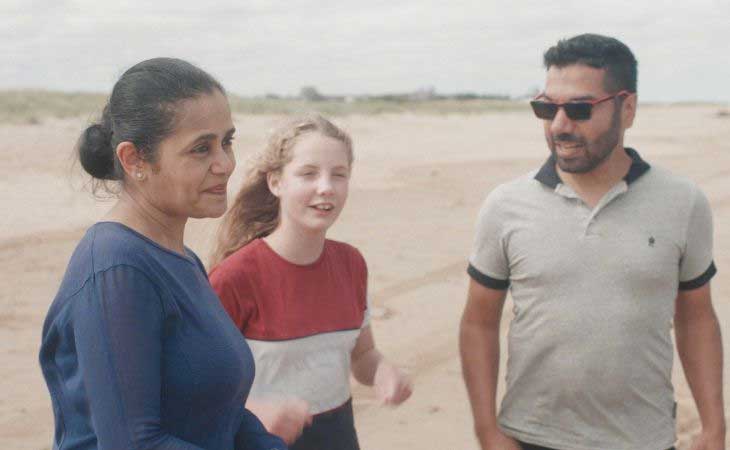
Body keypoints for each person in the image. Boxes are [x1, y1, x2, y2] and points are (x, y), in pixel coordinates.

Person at [459, 34, 725, 450]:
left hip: (645, 439)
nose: (560, 125)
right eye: (547, 108)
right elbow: (478, 322)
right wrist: (486, 430)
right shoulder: (505, 205)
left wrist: (713, 426)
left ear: (628, 108)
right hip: (530, 436)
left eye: (580, 109)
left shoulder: (683, 202)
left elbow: (696, 318)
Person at [38, 58, 286, 450]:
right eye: (201, 148)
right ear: (134, 160)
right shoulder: (115, 269)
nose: (225, 164)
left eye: (227, 142)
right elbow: (133, 444)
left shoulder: (182, 259)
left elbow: (223, 413)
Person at [208, 114, 413, 450]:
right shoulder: (235, 277)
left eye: (339, 175)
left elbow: (362, 357)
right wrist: (255, 412)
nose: (326, 187)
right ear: (275, 182)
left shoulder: (351, 264)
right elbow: (195, 392)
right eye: (308, 174)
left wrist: (383, 371)